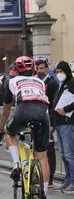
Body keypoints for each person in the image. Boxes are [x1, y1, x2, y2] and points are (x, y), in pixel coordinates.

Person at [0, 56, 50, 199]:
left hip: (22, 112)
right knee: (43, 157)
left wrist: (1, 129)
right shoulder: (40, 81)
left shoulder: (11, 81)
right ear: (32, 69)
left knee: (10, 134)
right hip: (42, 114)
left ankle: (17, 165)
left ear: (16, 70)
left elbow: (6, 110)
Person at [35, 57, 59, 187]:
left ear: (47, 68)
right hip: (37, 117)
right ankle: (38, 174)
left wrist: (53, 123)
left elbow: (55, 104)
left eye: (42, 68)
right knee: (37, 147)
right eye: (37, 68)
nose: (39, 71)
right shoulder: (35, 82)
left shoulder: (52, 83)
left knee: (49, 149)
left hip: (49, 119)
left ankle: (49, 178)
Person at [52, 61, 74, 194]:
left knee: (70, 154)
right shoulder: (62, 84)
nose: (59, 74)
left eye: (61, 71)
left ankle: (73, 182)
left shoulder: (71, 83)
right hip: (60, 123)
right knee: (63, 155)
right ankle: (68, 180)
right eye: (57, 72)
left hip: (68, 122)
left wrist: (66, 109)